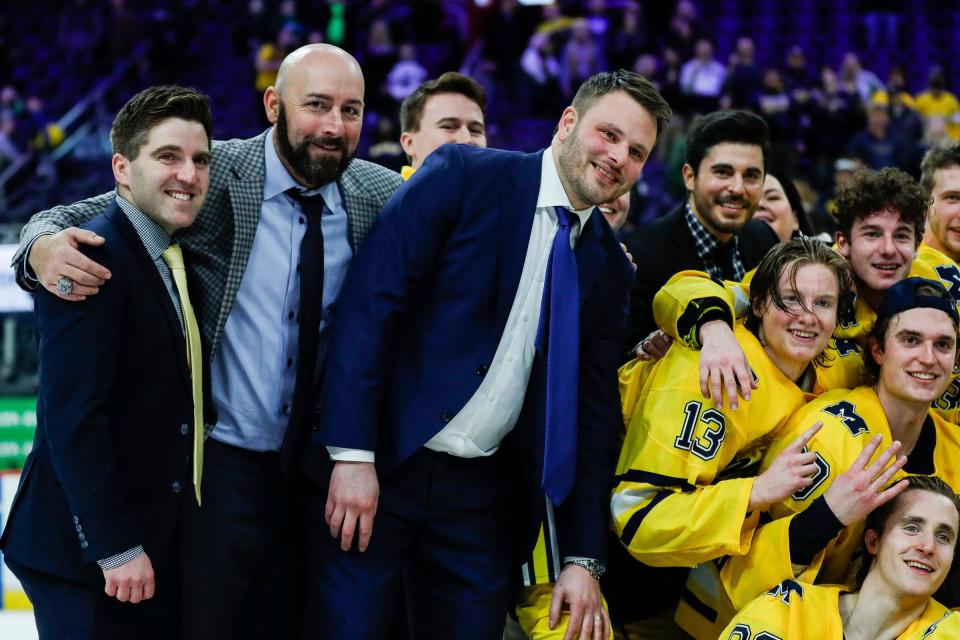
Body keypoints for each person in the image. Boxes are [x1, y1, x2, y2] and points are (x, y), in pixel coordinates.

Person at [9, 44, 403, 639]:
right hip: (211, 474)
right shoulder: (210, 172)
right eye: (316, 105)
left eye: (351, 110)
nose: (333, 125)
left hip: (307, 478)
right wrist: (37, 249)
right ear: (274, 104)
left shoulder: (378, 195)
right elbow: (89, 212)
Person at [304, 69, 671, 640]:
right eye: (609, 134)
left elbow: (591, 416)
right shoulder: (462, 175)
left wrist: (582, 557)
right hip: (384, 463)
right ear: (568, 122)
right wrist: (352, 453)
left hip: (484, 497)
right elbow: (370, 307)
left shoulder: (607, 265)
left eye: (637, 151)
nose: (618, 156)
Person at [0, 85, 212, 639]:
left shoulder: (167, 248)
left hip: (145, 547)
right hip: (90, 560)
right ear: (122, 167)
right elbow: (73, 418)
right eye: (168, 157)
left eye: (199, 160)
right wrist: (115, 545)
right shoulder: (85, 257)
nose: (188, 175)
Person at [611, 238, 893, 638]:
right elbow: (637, 516)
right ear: (758, 304)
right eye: (790, 299)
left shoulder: (836, 365)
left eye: (824, 303)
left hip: (701, 569)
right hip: (614, 550)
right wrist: (756, 492)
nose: (807, 316)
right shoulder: (708, 376)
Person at [709, 277, 960, 638]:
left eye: (943, 345)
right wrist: (827, 515)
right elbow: (738, 571)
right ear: (877, 351)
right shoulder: (826, 435)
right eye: (910, 340)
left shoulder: (953, 446)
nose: (928, 357)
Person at [722, 475, 960, 640]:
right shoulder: (788, 610)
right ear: (873, 541)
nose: (928, 546)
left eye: (943, 537)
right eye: (911, 528)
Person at [624, 109, 779, 350]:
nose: (738, 188)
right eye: (723, 172)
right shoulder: (641, 253)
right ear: (689, 177)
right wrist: (645, 348)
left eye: (751, 175)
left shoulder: (765, 239)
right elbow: (622, 352)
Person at [398, 71, 487, 180]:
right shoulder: (383, 195)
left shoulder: (504, 194)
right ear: (410, 143)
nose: (466, 139)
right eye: (449, 127)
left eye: (475, 130)